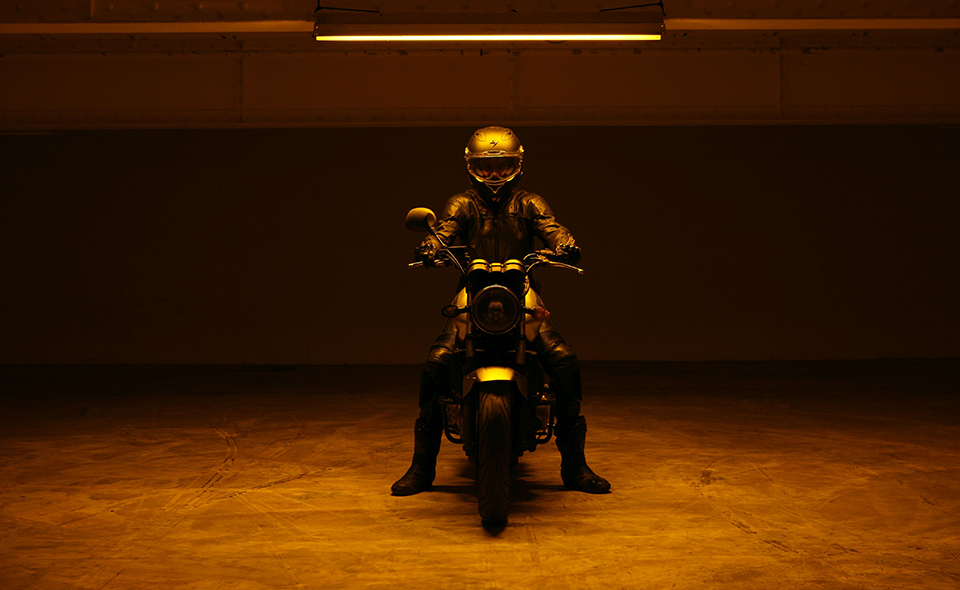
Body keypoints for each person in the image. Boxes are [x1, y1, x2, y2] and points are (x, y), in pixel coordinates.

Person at [392, 126, 611, 496]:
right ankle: (421, 467)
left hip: (520, 293)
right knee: (436, 364)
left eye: (502, 165)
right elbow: (444, 230)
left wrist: (565, 244)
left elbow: (551, 227)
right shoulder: (462, 204)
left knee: (563, 360)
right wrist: (430, 246)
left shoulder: (531, 203)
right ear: (472, 167)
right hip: (472, 293)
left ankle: (575, 466)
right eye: (486, 166)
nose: (494, 173)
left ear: (517, 165)